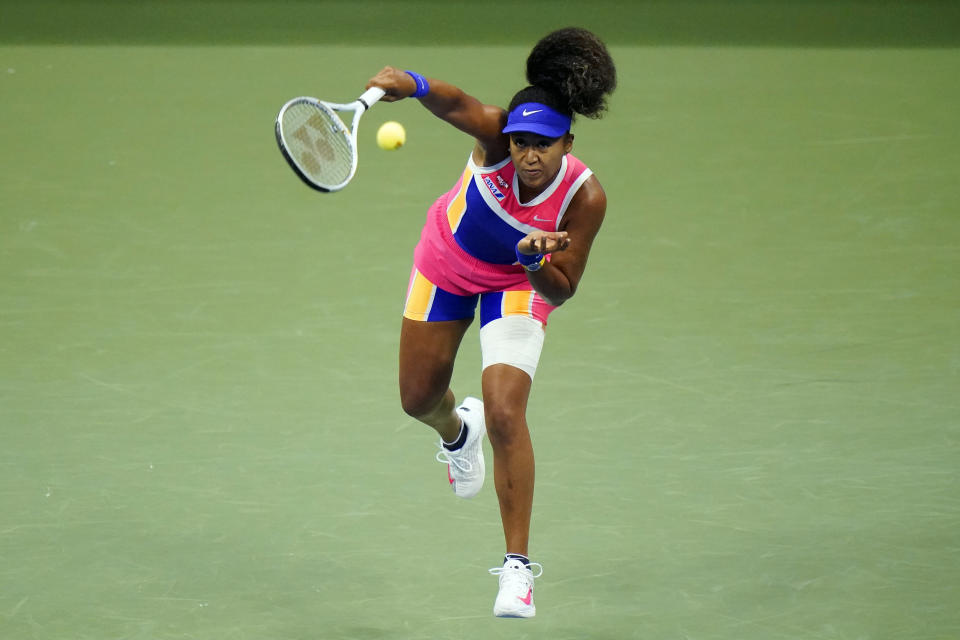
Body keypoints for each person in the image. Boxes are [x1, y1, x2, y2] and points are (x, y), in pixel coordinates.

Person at [366, 27, 616, 618]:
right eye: (521, 141)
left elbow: (565, 287)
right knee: (416, 397)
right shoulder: (496, 140)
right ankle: (457, 434)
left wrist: (532, 260)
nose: (530, 154)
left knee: (505, 408)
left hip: (516, 286)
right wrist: (414, 84)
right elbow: (459, 105)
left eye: (544, 144)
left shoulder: (585, 199)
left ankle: (517, 570)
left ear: (568, 143)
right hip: (446, 266)